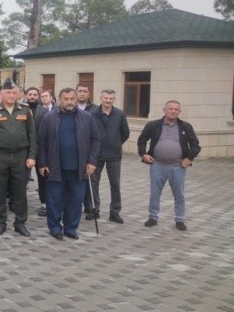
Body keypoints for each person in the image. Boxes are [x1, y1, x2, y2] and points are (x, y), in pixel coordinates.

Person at [37, 87, 100, 240]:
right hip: (55, 167)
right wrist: (42, 163)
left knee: (76, 200)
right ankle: (55, 227)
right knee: (54, 200)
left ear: (76, 99)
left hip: (79, 168)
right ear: (60, 99)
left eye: (72, 99)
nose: (69, 102)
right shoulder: (49, 117)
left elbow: (95, 139)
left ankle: (71, 228)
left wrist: (92, 161)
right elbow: (41, 142)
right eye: (66, 99)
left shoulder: (86, 117)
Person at [0, 78, 37, 237]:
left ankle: (20, 223)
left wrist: (32, 156)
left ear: (19, 94)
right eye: (8, 92)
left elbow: (32, 135)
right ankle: (0, 223)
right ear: (1, 94)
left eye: (14, 92)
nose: (12, 95)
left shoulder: (25, 111)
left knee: (20, 191)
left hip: (21, 155)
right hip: (0, 155)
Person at [137, 100, 200, 231]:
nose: (173, 111)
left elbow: (195, 145)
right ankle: (153, 217)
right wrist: (143, 154)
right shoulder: (153, 125)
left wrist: (189, 158)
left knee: (179, 194)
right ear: (164, 110)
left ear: (179, 112)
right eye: (170, 109)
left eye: (176, 109)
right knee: (155, 193)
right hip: (157, 165)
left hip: (178, 166)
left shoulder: (186, 127)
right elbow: (142, 140)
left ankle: (180, 219)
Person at [87, 89, 130, 223]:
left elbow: (125, 132)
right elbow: (87, 132)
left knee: (115, 184)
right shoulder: (91, 114)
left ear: (114, 100)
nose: (108, 101)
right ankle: (94, 210)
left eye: (111, 98)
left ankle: (115, 211)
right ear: (101, 98)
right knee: (93, 183)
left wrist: (116, 143)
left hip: (114, 155)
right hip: (96, 154)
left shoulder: (120, 114)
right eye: (106, 98)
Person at [33, 88, 54, 217]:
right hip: (33, 149)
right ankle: (44, 202)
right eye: (43, 96)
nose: (44, 98)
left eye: (46, 96)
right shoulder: (36, 110)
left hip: (48, 150)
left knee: (46, 177)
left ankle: (49, 202)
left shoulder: (53, 111)